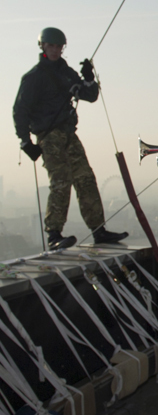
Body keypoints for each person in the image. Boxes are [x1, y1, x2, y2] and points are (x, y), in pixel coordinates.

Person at [13, 27, 127, 250]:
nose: (55, 50)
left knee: (85, 178)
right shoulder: (34, 77)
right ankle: (54, 234)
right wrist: (25, 142)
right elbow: (20, 110)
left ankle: (98, 230)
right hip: (49, 135)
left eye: (58, 47)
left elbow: (90, 95)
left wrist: (88, 78)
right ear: (43, 46)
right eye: (51, 46)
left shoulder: (67, 73)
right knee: (62, 180)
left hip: (68, 134)